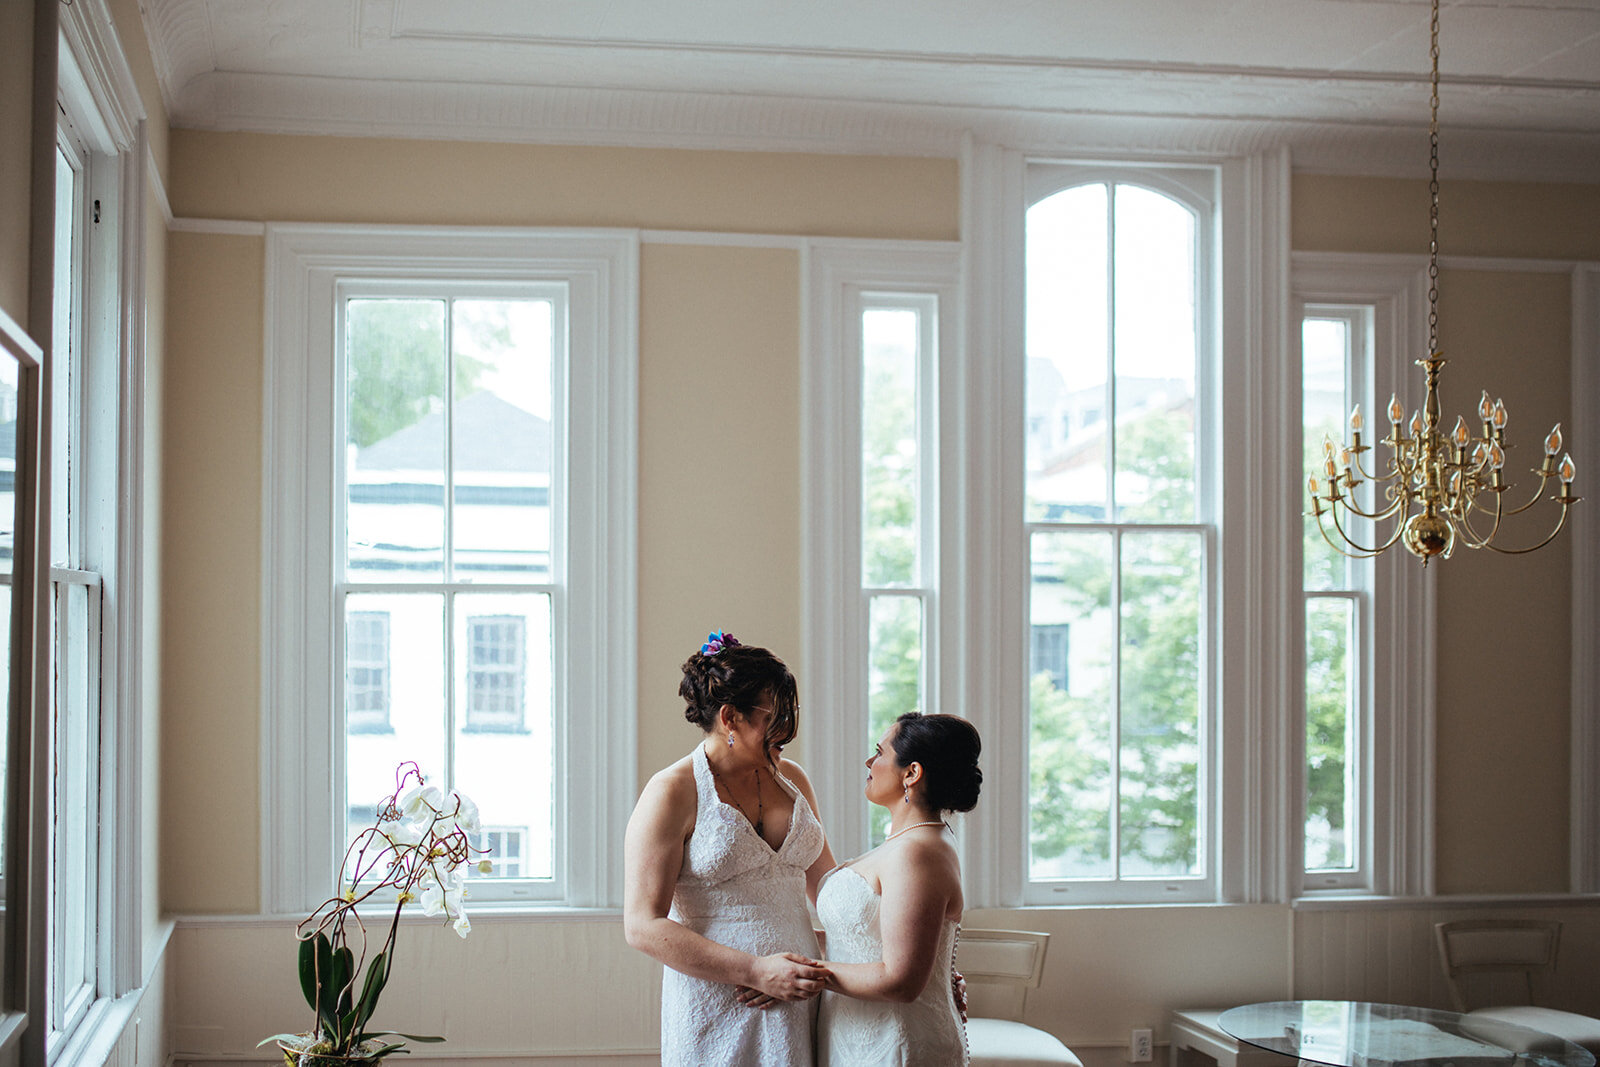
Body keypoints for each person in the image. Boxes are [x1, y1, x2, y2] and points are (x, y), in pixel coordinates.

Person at [623, 631, 838, 1066]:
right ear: (730, 717)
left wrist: (921, 964)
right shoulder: (672, 791)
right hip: (720, 1000)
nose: (787, 730)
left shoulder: (793, 778)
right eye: (774, 716)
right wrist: (756, 970)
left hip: (801, 997)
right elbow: (642, 925)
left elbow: (832, 893)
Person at [811, 712, 982, 1066]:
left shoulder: (918, 852)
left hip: (896, 1044)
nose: (869, 762)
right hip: (855, 1033)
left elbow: (900, 980)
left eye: (880, 752)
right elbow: (866, 942)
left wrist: (804, 972)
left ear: (912, 773)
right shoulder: (910, 842)